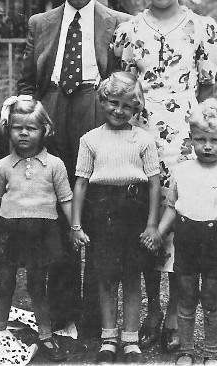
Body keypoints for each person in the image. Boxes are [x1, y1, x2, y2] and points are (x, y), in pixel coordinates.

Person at [17, 0, 131, 337]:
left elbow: (126, 85)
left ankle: (97, 320)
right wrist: (24, 123)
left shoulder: (119, 22)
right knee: (58, 210)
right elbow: (27, 83)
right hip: (51, 110)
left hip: (95, 107)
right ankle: (64, 316)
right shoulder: (40, 23)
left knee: (96, 210)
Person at [110, 0, 217, 352]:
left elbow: (206, 91)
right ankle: (151, 310)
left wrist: (201, 137)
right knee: (146, 222)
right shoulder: (128, 30)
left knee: (179, 225)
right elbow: (120, 89)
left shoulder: (202, 29)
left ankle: (174, 315)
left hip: (183, 141)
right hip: (139, 139)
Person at [70, 72, 161, 364]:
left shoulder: (144, 140)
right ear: (102, 101)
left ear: (136, 109)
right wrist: (76, 224)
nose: (119, 111)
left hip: (134, 211)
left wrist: (151, 224)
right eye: (113, 103)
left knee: (132, 277)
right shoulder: (90, 140)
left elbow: (154, 184)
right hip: (102, 213)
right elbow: (81, 183)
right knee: (106, 277)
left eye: (127, 106)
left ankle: (130, 340)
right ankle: (108, 339)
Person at [152, 98, 217, 365]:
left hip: (214, 245)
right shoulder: (181, 172)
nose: (207, 146)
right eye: (200, 139)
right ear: (191, 137)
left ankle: (211, 352)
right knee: (186, 299)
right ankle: (186, 350)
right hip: (186, 244)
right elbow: (172, 208)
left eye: (214, 140)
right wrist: (159, 232)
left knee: (210, 301)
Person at [0, 96, 73, 362]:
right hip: (9, 231)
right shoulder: (4, 166)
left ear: (45, 130)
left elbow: (66, 199)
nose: (23, 133)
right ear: (8, 129)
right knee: (5, 284)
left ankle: (45, 335)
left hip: (41, 233)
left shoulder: (54, 165)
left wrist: (75, 227)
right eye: (17, 127)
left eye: (31, 128)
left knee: (37, 287)